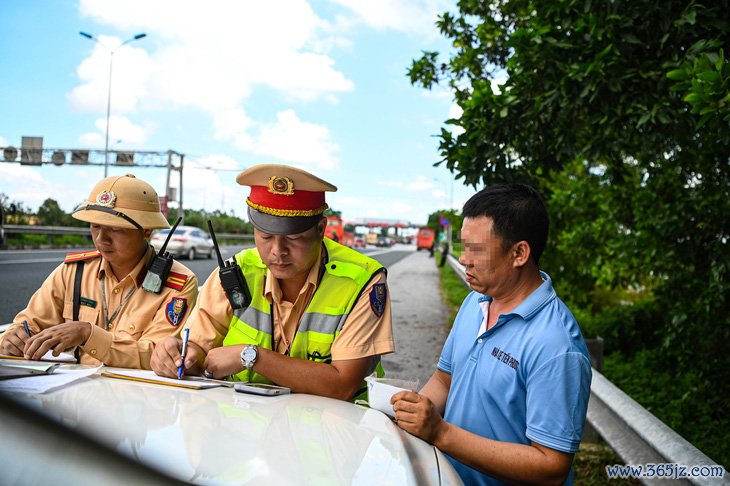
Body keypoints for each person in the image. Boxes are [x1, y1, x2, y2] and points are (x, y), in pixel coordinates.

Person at [391, 183, 592, 485]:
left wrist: (439, 432)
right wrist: (410, 418)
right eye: (463, 246)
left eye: (476, 250)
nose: (464, 259)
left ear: (519, 253)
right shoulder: (476, 301)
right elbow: (445, 379)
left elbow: (551, 467)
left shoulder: (556, 345)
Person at [151, 164, 394, 401]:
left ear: (321, 229)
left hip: (336, 430)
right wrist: (180, 356)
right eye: (265, 236)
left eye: (294, 237)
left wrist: (253, 356)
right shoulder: (236, 272)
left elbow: (342, 386)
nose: (278, 251)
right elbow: (197, 347)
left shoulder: (362, 281)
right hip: (248, 430)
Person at [0, 174, 198, 369]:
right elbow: (30, 324)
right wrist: (14, 336)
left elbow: (157, 356)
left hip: (135, 395)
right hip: (69, 394)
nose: (101, 238)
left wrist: (88, 334)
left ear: (146, 231)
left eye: (116, 229)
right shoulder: (73, 272)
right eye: (95, 226)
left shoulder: (178, 283)